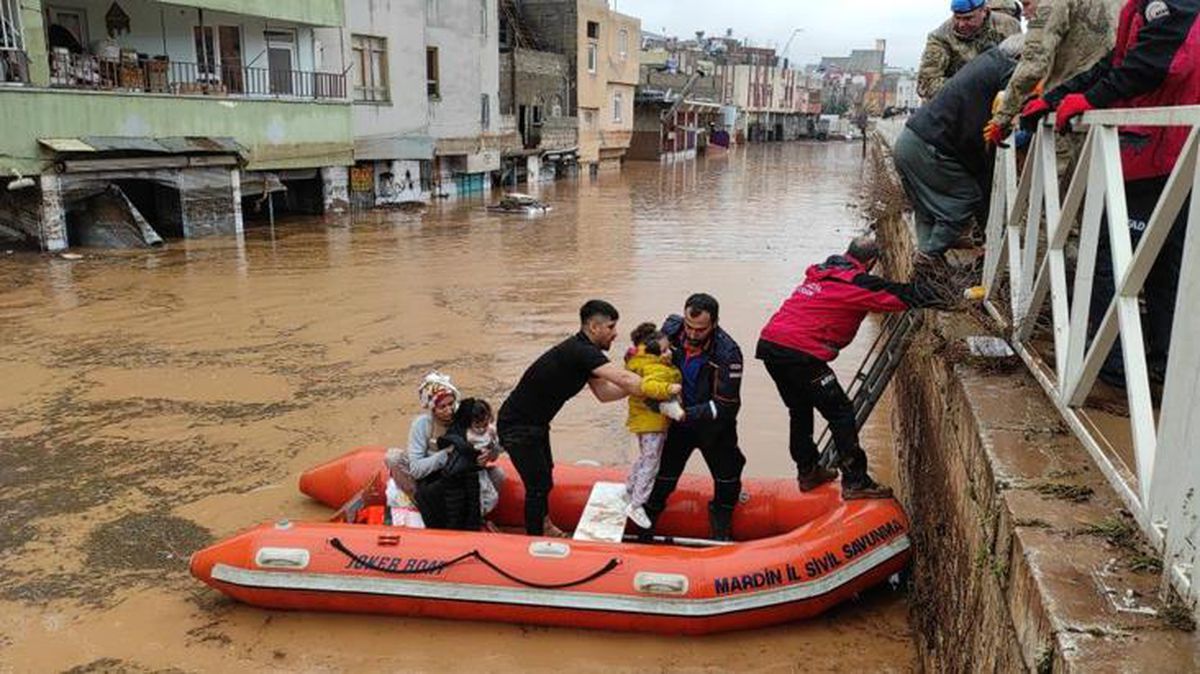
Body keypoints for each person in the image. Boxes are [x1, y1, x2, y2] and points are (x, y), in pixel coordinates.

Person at [1022, 0, 1199, 386]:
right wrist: (1056, 98)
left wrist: (1090, 100)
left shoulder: (1171, 3)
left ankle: (1113, 365)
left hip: (1160, 151)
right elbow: (1116, 65)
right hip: (1159, 151)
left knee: (1118, 260)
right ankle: (1159, 365)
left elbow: (1157, 65)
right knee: (1161, 267)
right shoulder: (1140, 6)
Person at [756, 236, 950, 500]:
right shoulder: (857, 282)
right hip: (801, 354)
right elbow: (899, 296)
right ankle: (855, 481)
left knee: (799, 411)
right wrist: (949, 295)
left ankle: (808, 471)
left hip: (770, 345)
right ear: (871, 262)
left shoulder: (820, 274)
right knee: (841, 413)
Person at [498, 300, 644, 536]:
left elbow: (605, 394)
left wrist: (639, 385)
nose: (615, 334)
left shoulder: (586, 353)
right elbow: (624, 380)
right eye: (611, 327)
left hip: (536, 424)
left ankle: (545, 526)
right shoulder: (581, 352)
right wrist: (658, 386)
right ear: (593, 327)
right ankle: (533, 540)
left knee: (545, 479)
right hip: (517, 426)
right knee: (537, 486)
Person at [896, 35, 1025, 268]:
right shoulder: (1007, 70)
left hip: (909, 140)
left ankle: (926, 273)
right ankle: (927, 258)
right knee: (963, 199)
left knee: (926, 211)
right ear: (1020, 58)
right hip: (930, 146)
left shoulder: (987, 60)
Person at [641, 294, 747, 541]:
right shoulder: (671, 329)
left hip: (714, 428)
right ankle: (644, 529)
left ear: (714, 324)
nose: (692, 333)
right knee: (662, 479)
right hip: (678, 426)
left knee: (728, 479)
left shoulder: (728, 353)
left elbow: (726, 406)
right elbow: (642, 356)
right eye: (689, 326)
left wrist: (684, 413)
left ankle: (721, 526)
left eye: (700, 329)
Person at [984, 0, 1118, 179]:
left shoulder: (1050, 4)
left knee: (1056, 196)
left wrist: (1003, 116)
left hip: (1065, 116)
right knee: (1107, 194)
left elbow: (1033, 64)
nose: (1024, 13)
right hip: (1113, 113)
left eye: (1027, 3)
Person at [392, 372, 505, 522]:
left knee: (498, 473)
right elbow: (416, 470)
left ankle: (477, 515)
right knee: (393, 457)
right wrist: (447, 455)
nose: (448, 410)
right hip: (433, 478)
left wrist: (490, 453)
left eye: (451, 404)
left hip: (464, 476)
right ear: (432, 408)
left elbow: (490, 448)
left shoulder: (466, 416)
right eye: (442, 407)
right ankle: (424, 507)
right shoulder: (422, 425)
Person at [622, 322, 684, 529]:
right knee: (651, 463)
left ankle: (630, 488)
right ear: (653, 352)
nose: (669, 353)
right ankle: (637, 504)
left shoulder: (639, 362)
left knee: (645, 457)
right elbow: (649, 386)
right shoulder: (653, 366)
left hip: (644, 420)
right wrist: (669, 388)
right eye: (665, 350)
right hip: (652, 422)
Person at [918, 0, 1023, 100]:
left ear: (984, 11)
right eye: (957, 18)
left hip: (1001, 97)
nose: (961, 24)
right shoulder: (940, 37)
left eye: (968, 18)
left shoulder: (1008, 26)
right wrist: (971, 86)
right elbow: (927, 84)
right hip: (958, 103)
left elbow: (1022, 66)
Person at [418, 398, 492, 531]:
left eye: (485, 426)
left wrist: (490, 454)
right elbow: (456, 503)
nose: (449, 410)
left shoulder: (465, 440)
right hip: (449, 490)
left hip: (459, 484)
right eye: (478, 427)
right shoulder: (459, 459)